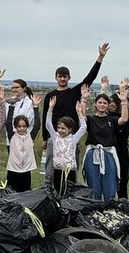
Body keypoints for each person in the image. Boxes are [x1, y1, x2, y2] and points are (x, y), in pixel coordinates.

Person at [40, 43, 109, 179]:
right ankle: (48, 196)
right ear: (56, 78)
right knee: (50, 172)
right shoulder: (50, 96)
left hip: (71, 138)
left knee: (70, 170)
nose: (62, 79)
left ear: (69, 78)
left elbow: (90, 78)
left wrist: (100, 57)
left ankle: (70, 195)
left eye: (65, 76)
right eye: (60, 76)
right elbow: (45, 117)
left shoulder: (74, 93)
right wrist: (44, 138)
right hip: (54, 136)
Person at [83, 79, 129, 200]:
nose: (102, 105)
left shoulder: (112, 120)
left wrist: (124, 101)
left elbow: (124, 119)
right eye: (99, 102)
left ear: (107, 105)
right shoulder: (91, 119)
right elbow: (82, 116)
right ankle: (94, 211)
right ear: (95, 104)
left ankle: (109, 210)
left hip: (108, 154)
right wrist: (84, 99)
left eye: (105, 103)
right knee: (94, 186)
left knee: (110, 185)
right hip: (92, 154)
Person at [46, 88, 89, 195]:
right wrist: (51, 108)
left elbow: (83, 127)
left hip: (69, 171)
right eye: (59, 128)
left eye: (63, 128)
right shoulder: (55, 137)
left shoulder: (73, 139)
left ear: (70, 129)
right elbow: (48, 124)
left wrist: (79, 113)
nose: (60, 130)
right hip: (57, 170)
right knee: (58, 192)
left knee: (69, 193)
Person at [5, 111, 39, 192]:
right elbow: (8, 123)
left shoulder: (30, 136)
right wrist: (11, 106)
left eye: (24, 126)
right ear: (15, 127)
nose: (21, 128)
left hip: (26, 170)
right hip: (13, 170)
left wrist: (36, 108)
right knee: (11, 192)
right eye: (19, 126)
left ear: (27, 126)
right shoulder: (12, 136)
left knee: (25, 193)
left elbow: (37, 125)